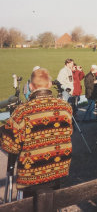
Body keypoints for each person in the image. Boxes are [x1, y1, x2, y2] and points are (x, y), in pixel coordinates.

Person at [1, 68, 73, 198]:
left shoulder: (22, 111)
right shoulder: (65, 107)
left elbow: (10, 146)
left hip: (32, 177)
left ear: (30, 86)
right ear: (50, 85)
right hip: (58, 170)